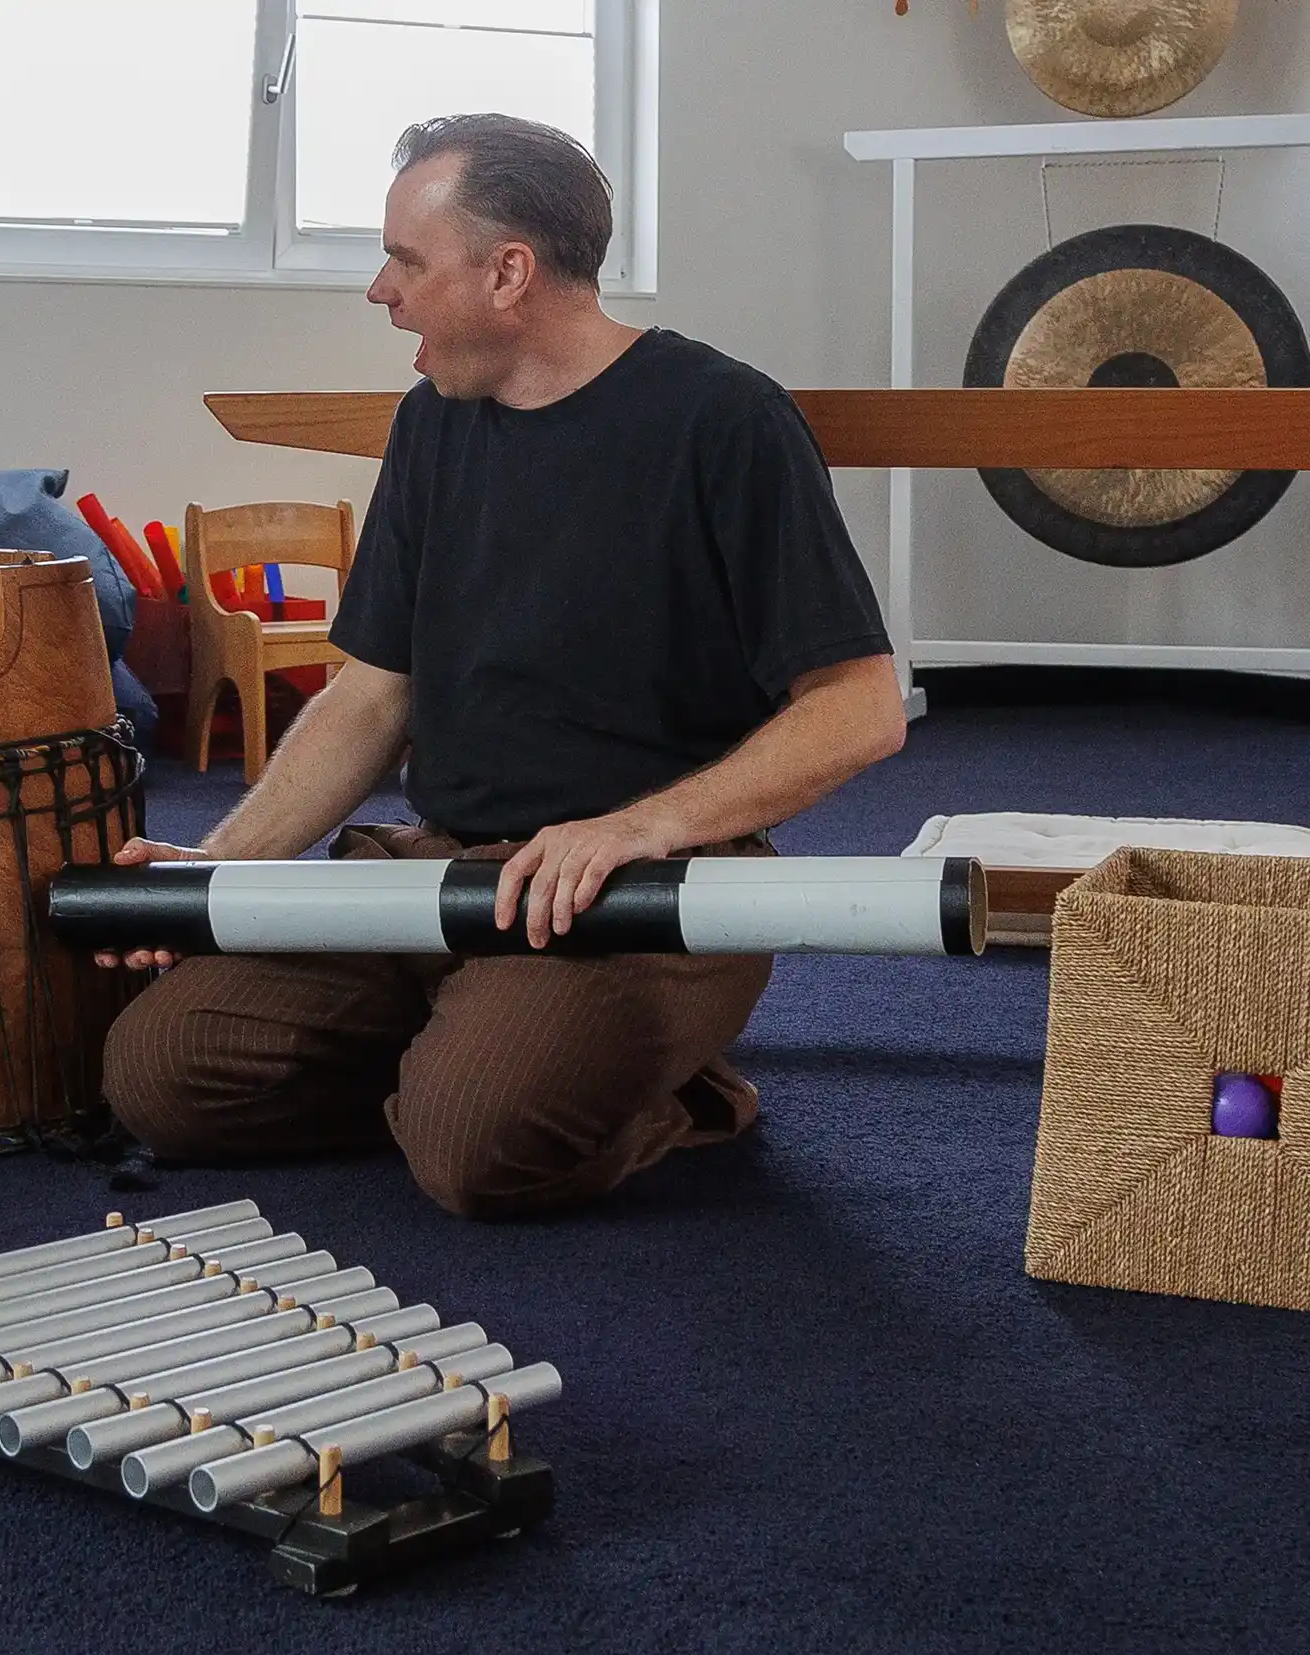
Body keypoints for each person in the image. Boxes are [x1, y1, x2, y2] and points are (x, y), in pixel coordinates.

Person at [99, 115, 910, 1218]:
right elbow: (372, 692)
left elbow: (860, 708)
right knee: (160, 1076)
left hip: (637, 891)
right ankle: (474, 1053)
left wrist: (633, 829)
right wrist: (217, 868)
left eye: (405, 259)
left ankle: (657, 1089)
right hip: (441, 872)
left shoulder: (725, 421)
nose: (379, 290)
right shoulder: (433, 426)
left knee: (476, 1153)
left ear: (507, 273)